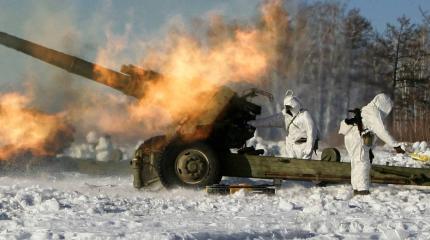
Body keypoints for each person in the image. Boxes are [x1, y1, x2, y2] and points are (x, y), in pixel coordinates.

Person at [339, 93, 405, 196]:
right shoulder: (374, 113)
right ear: (384, 105)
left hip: (351, 137)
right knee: (362, 163)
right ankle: (362, 190)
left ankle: (356, 187)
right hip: (358, 138)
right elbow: (381, 131)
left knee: (356, 162)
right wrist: (395, 145)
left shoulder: (367, 109)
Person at [250, 90, 318, 159]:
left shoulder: (305, 115)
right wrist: (251, 123)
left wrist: (308, 149)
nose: (289, 109)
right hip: (291, 149)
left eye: (290, 107)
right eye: (288, 107)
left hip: (303, 147)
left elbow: (311, 132)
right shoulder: (284, 116)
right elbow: (268, 121)